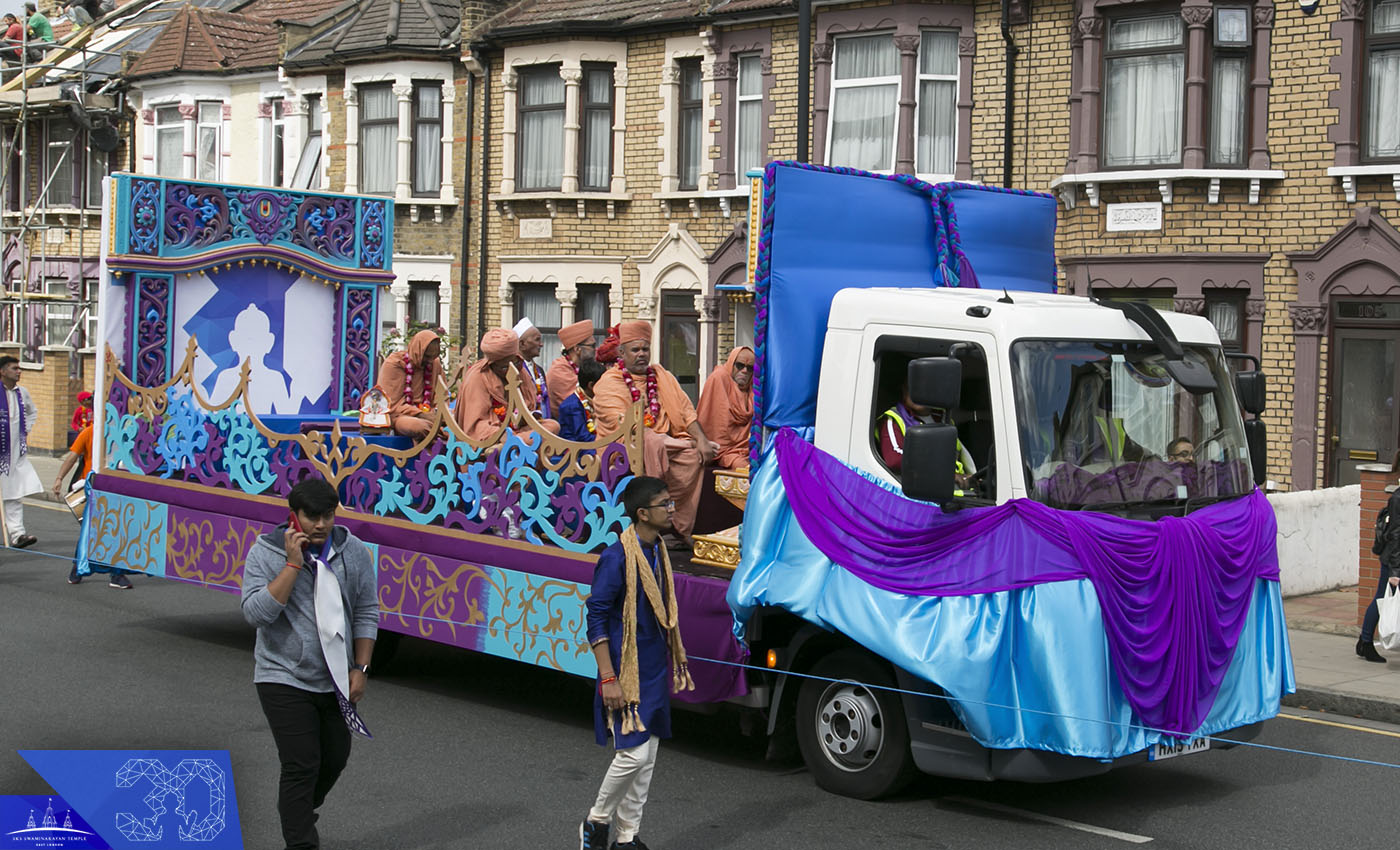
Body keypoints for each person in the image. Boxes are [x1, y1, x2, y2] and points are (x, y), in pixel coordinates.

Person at [240, 477, 378, 850]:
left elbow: (366, 610)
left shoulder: (355, 552)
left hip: (335, 678)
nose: (320, 524)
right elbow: (255, 614)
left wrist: (361, 668)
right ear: (294, 517)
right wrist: (292, 565)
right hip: (282, 675)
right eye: (312, 516)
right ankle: (301, 841)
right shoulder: (264, 553)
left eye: (327, 515)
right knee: (301, 764)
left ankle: (298, 811)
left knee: (334, 758)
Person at [579, 476, 693, 850]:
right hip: (625, 669)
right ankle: (596, 823)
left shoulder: (658, 549)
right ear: (643, 514)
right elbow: (595, 616)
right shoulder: (616, 558)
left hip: (654, 666)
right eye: (665, 504)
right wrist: (608, 678)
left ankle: (627, 837)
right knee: (633, 754)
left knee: (649, 757)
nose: (672, 509)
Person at [592, 321, 716, 546]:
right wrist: (684, 442)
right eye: (635, 350)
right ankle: (654, 526)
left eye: (645, 349)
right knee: (653, 441)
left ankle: (679, 528)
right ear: (622, 353)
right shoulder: (608, 383)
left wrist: (702, 440)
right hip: (622, 447)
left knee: (693, 456)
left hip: (664, 445)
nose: (641, 354)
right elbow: (623, 425)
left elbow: (686, 411)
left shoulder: (661, 376)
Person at [876, 380, 974, 486]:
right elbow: (894, 459)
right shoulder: (893, 418)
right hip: (922, 495)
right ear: (903, 390)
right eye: (911, 387)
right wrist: (948, 475)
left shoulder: (944, 419)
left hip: (959, 493)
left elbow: (960, 459)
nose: (917, 393)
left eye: (923, 387)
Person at [0, 355, 39, 549]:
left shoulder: (22, 393)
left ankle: (17, 535)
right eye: (14, 368)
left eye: (19, 368)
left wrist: (26, 430)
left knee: (14, 492)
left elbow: (32, 412)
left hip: (15, 451)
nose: (19, 371)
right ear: (3, 371)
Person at [695, 346, 754, 471]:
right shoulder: (719, 378)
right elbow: (719, 431)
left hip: (748, 448)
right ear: (731, 363)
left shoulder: (753, 387)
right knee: (744, 468)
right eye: (740, 365)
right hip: (723, 450)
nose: (744, 371)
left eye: (750, 368)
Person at [376, 329, 441, 439]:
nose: (430, 361)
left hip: (430, 414)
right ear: (417, 350)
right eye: (427, 356)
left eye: (433, 357)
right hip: (400, 416)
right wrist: (421, 414)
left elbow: (441, 397)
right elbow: (390, 405)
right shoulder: (394, 364)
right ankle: (441, 435)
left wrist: (438, 413)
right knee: (418, 426)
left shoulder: (434, 363)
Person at [546, 319, 596, 409]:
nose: (595, 350)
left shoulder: (580, 366)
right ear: (577, 349)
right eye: (592, 346)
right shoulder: (559, 370)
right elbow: (580, 401)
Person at [558, 358, 605, 443]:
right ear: (591, 385)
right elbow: (583, 437)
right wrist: (609, 440)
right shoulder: (571, 406)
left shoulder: (596, 399)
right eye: (603, 384)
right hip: (576, 451)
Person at [514, 317, 551, 419]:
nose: (541, 344)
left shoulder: (539, 370)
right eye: (537, 340)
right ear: (522, 344)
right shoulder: (514, 370)